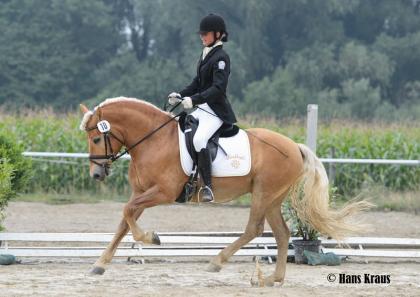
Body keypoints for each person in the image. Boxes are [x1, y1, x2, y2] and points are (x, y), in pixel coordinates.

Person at [168, 13, 237, 202]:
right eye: (202, 33)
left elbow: (217, 88)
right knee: (182, 131)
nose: (202, 36)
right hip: (203, 108)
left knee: (199, 140)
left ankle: (207, 186)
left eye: (205, 34)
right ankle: (188, 180)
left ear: (218, 34)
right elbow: (197, 82)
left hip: (216, 111)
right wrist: (180, 95)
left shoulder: (222, 57)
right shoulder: (206, 54)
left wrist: (195, 100)